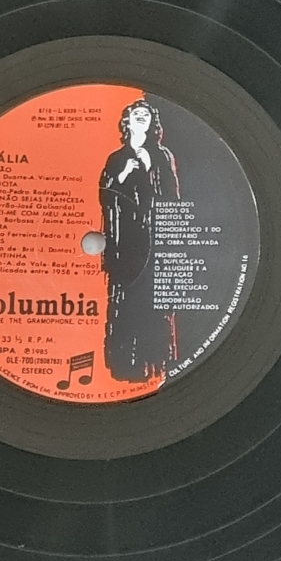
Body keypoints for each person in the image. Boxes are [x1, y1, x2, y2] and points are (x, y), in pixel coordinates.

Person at [99, 100, 180, 382]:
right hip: (123, 244)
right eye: (137, 114)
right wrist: (123, 174)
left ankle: (155, 364)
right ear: (127, 122)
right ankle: (124, 365)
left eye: (146, 114)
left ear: (153, 122)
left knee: (153, 305)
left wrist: (149, 170)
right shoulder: (115, 158)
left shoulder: (162, 156)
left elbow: (172, 197)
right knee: (123, 302)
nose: (142, 117)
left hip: (153, 242)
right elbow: (105, 195)